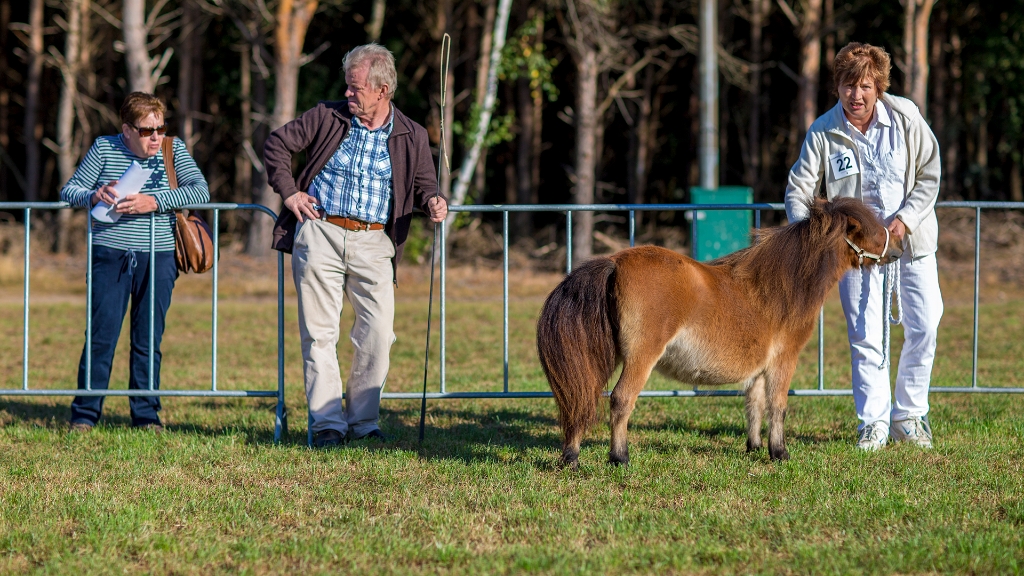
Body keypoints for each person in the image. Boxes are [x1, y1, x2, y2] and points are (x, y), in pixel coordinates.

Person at [264, 43, 448, 448]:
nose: (347, 94)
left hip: (374, 241)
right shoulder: (326, 115)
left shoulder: (411, 133)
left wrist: (434, 201)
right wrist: (291, 193)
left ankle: (363, 422)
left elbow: (424, 185)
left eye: (355, 88)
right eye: (347, 87)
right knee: (319, 333)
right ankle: (328, 423)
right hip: (320, 232)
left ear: (382, 90)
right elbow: (276, 145)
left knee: (379, 333)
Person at [785, 42, 943, 451]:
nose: (857, 95)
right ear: (837, 87)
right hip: (855, 255)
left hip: (911, 243)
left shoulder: (906, 116)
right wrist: (812, 239)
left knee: (924, 325)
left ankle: (909, 416)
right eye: (848, 85)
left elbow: (930, 173)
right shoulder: (823, 131)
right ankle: (872, 422)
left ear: (879, 87)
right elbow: (799, 189)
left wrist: (905, 219)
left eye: (866, 86)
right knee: (864, 336)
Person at [61, 92, 210, 432]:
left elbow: (201, 191)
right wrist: (93, 194)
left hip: (158, 257)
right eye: (147, 131)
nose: (156, 137)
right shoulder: (104, 148)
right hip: (109, 256)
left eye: (160, 128)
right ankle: (85, 414)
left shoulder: (174, 150)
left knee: (148, 338)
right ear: (126, 130)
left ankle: (146, 414)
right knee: (101, 335)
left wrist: (154, 202)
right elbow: (70, 191)